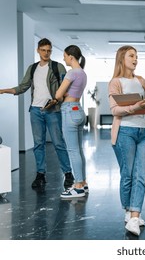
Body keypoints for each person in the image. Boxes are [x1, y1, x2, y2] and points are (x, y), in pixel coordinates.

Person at [0, 38, 73, 189]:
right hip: (35, 111)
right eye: (43, 50)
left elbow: (65, 88)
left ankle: (68, 174)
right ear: (38, 50)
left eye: (49, 50)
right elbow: (22, 87)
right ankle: (41, 174)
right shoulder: (32, 68)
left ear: (51, 51)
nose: (46, 53)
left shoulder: (57, 67)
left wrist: (56, 101)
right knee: (38, 144)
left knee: (58, 143)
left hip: (53, 111)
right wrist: (4, 90)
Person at [108, 46, 145, 236]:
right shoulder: (115, 82)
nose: (135, 59)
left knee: (141, 174)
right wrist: (133, 107)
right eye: (131, 56)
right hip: (124, 131)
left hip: (143, 130)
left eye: (137, 56)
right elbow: (114, 110)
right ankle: (128, 210)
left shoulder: (142, 81)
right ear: (122, 59)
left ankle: (135, 215)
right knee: (127, 174)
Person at [54, 45, 88, 198]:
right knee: (79, 150)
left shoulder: (72, 72)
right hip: (79, 110)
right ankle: (84, 183)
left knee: (73, 151)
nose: (63, 58)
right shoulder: (83, 73)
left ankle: (78, 186)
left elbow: (58, 95)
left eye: (65, 56)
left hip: (69, 110)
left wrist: (62, 92)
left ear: (71, 57)